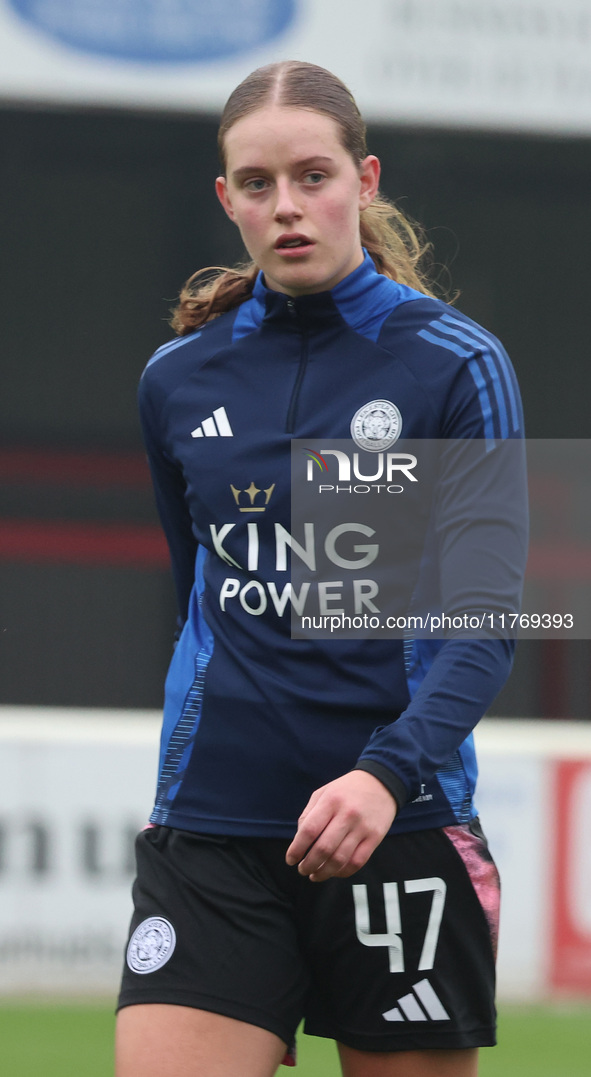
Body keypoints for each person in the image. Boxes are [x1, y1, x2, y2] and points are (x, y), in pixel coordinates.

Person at [115, 60, 527, 1077]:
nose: (288, 207)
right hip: (212, 834)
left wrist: (386, 776)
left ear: (366, 179)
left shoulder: (455, 366)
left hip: (403, 826)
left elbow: (484, 619)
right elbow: (198, 597)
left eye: (313, 176)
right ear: (228, 200)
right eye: (258, 184)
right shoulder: (177, 380)